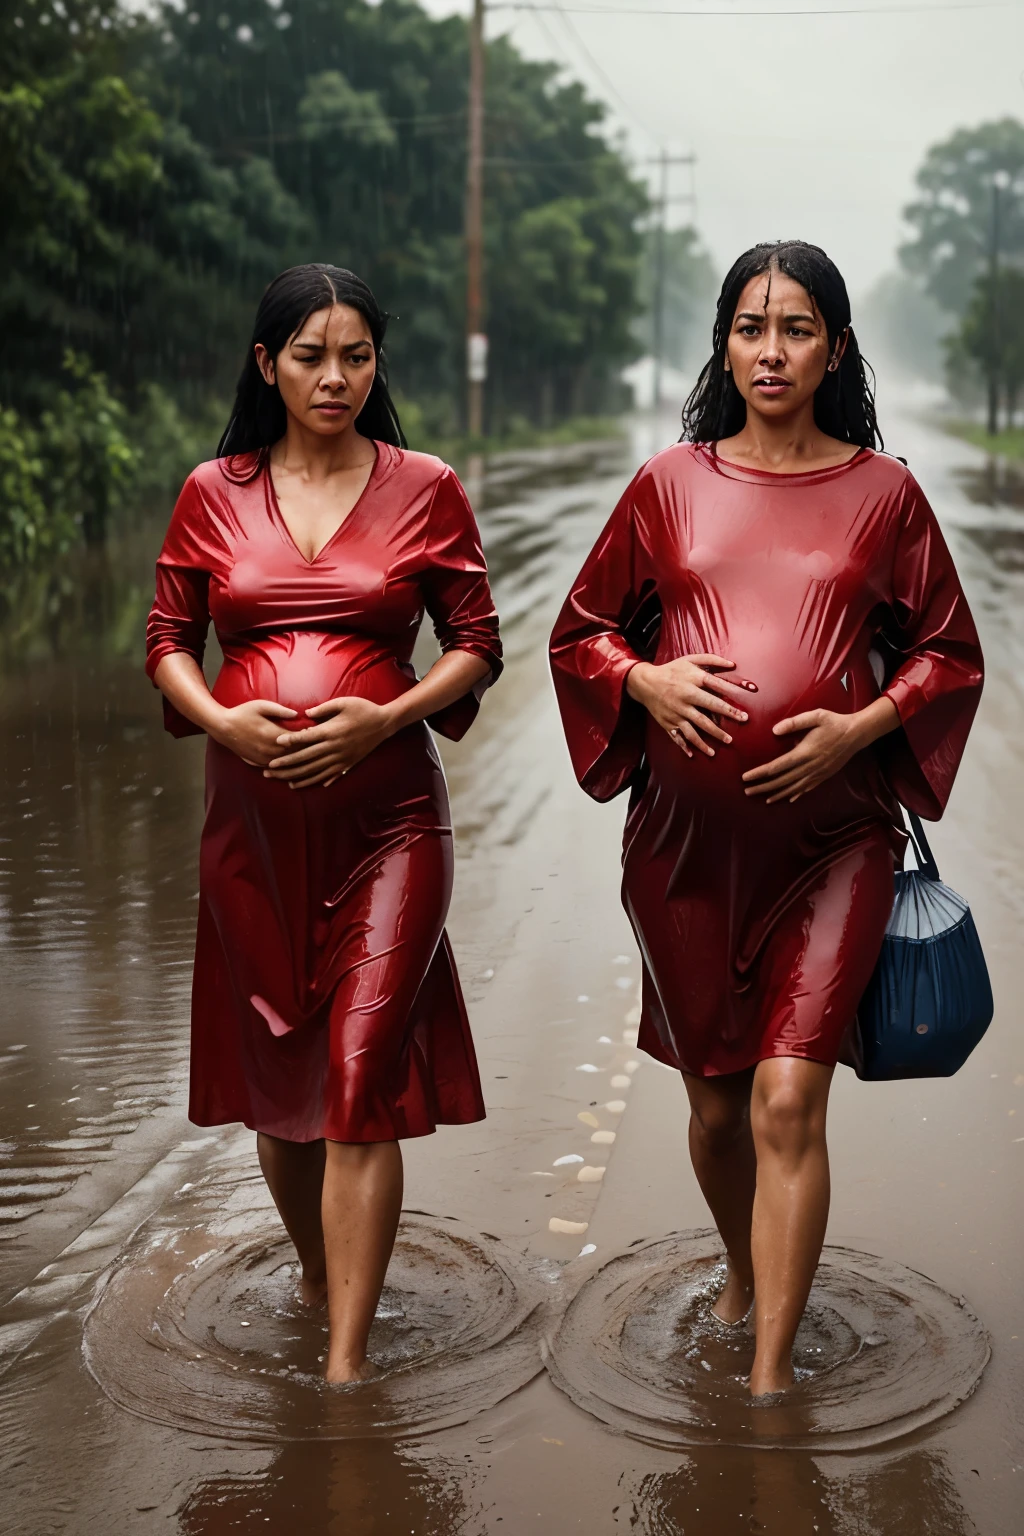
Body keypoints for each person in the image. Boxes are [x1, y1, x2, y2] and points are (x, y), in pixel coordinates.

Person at [549, 241, 983, 1397]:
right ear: (724, 345)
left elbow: (948, 652)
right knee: (716, 1108)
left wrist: (860, 725)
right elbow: (580, 630)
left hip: (833, 846)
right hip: (682, 856)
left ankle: (770, 1381)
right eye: (751, 327)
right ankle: (740, 1266)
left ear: (834, 348)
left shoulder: (884, 495)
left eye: (796, 329)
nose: (772, 350)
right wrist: (640, 682)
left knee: (790, 1094)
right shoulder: (666, 485)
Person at [146, 263, 501, 1385]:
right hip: (248, 831)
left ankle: (345, 1371)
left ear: (376, 363)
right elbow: (166, 638)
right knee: (282, 1088)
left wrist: (386, 716)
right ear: (267, 365)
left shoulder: (426, 486)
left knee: (358, 1089)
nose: (336, 377)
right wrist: (224, 725)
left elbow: (475, 641)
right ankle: (316, 1270)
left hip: (390, 823)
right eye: (311, 355)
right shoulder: (212, 490)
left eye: (356, 355)